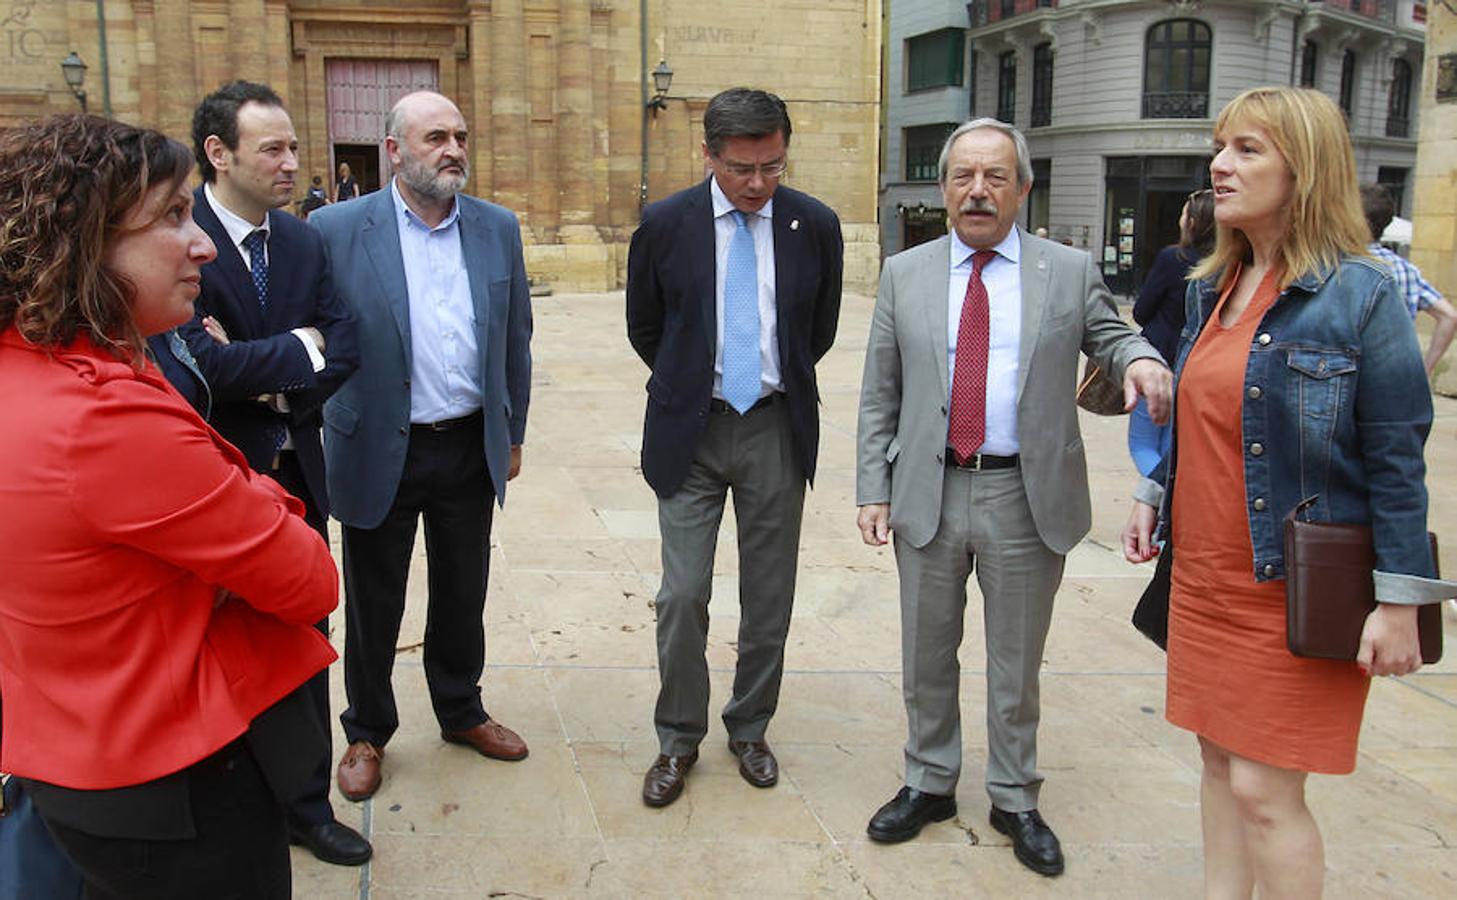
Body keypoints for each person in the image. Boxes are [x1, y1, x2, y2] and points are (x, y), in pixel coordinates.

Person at [0, 114, 339, 898]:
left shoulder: (33, 369)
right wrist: (254, 500)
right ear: (83, 241)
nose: (203, 244)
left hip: (67, 755)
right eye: (172, 216)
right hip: (172, 778)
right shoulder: (108, 420)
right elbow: (310, 578)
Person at [1120, 86, 1444, 897]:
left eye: (1246, 150)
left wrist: (1400, 598)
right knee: (1218, 763)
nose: (1219, 167)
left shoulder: (1360, 294)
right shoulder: (1210, 286)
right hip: (1203, 582)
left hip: (1290, 588)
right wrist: (1154, 491)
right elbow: (1210, 422)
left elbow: (1397, 458)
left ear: (1305, 169)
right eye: (1220, 147)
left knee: (1267, 792)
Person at [855, 118, 1171, 876]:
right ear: (942, 188)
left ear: (1022, 189)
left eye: (995, 176)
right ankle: (928, 782)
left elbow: (1111, 335)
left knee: (1014, 662)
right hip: (928, 491)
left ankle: (1013, 796)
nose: (977, 190)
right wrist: (872, 486)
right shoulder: (906, 274)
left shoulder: (1064, 269)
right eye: (963, 175)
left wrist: (1143, 360)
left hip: (1025, 497)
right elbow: (879, 393)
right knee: (925, 654)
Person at [310, 90, 534, 802]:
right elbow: (309, 334)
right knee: (376, 597)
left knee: (463, 590)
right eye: (436, 136)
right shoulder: (334, 227)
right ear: (395, 151)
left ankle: (460, 711)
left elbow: (515, 339)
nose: (453, 149)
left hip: (468, 441)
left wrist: (514, 430)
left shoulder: (496, 228)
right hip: (379, 444)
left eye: (460, 135)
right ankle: (367, 730)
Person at [626, 87, 843, 807]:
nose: (757, 184)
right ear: (709, 154)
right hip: (690, 428)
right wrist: (693, 381)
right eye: (742, 168)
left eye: (772, 167)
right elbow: (645, 329)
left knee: (769, 594)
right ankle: (676, 739)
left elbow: (816, 332)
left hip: (775, 427)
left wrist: (767, 384)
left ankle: (750, 726)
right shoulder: (663, 225)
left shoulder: (813, 224)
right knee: (682, 593)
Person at [178, 80, 367, 866]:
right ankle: (214, 800)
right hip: (208, 480)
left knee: (303, 637)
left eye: (295, 147)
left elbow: (347, 343)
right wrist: (293, 352)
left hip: (295, 477)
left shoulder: (301, 239)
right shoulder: (175, 232)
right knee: (204, 642)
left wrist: (260, 369)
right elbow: (197, 365)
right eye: (274, 150)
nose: (294, 163)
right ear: (218, 155)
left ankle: (304, 803)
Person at [1127, 188, 1216, 475]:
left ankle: (1161, 498)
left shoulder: (1173, 258)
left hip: (1159, 358)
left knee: (1143, 442)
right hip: (1198, 365)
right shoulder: (1228, 265)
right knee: (1172, 443)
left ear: (1192, 221)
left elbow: (1141, 311)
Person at [1359, 183, 1457, 378]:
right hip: (1394, 376)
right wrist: (1426, 370)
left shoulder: (1342, 265)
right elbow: (1449, 316)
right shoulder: (1406, 269)